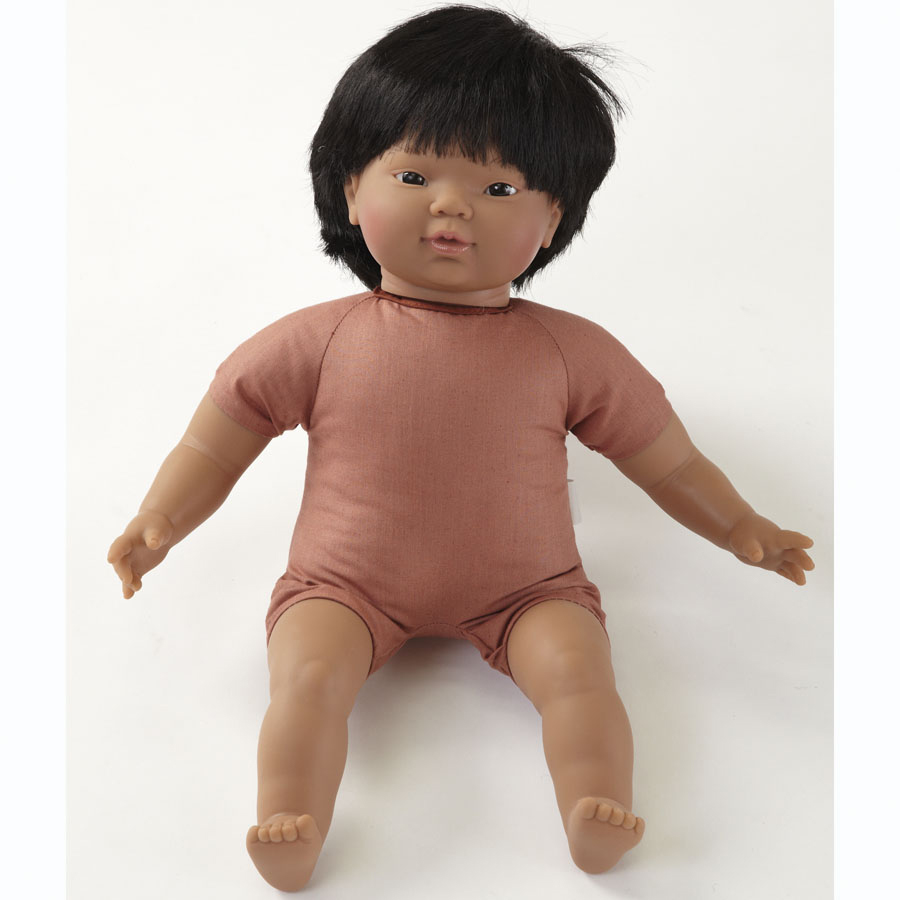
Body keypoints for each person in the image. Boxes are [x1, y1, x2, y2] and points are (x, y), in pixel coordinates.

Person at [107, 5, 814, 891]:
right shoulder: (313, 341)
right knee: (310, 677)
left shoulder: (570, 351)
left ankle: (596, 806)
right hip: (342, 585)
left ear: (552, 219)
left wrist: (742, 525)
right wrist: (160, 519)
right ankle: (291, 819)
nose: (451, 204)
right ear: (350, 190)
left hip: (528, 590)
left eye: (500, 189)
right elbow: (218, 444)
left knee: (578, 673)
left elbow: (666, 461)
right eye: (414, 173)